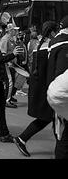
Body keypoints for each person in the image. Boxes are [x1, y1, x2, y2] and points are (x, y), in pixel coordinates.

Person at [13, 21, 59, 157]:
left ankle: (22, 139)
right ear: (52, 32)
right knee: (52, 118)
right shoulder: (51, 46)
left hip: (39, 87)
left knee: (50, 118)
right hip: (46, 88)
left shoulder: (38, 45)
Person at [47, 15, 68, 159]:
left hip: (55, 89)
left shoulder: (54, 42)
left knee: (61, 130)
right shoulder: (65, 44)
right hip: (62, 90)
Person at [0, 23, 20, 108]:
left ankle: (9, 96)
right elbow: (2, 53)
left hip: (12, 64)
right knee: (9, 82)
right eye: (15, 30)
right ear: (10, 30)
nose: (17, 31)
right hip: (7, 64)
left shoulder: (11, 39)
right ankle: (6, 100)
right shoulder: (5, 39)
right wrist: (8, 62)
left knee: (12, 81)